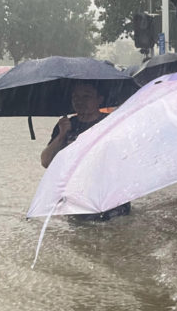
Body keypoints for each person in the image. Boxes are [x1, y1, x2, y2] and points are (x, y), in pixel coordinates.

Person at [40, 80, 130, 220]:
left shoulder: (112, 123)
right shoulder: (66, 125)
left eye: (86, 96)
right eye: (75, 97)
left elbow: (125, 159)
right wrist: (62, 135)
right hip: (77, 198)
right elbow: (46, 162)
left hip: (111, 196)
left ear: (99, 99)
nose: (79, 101)